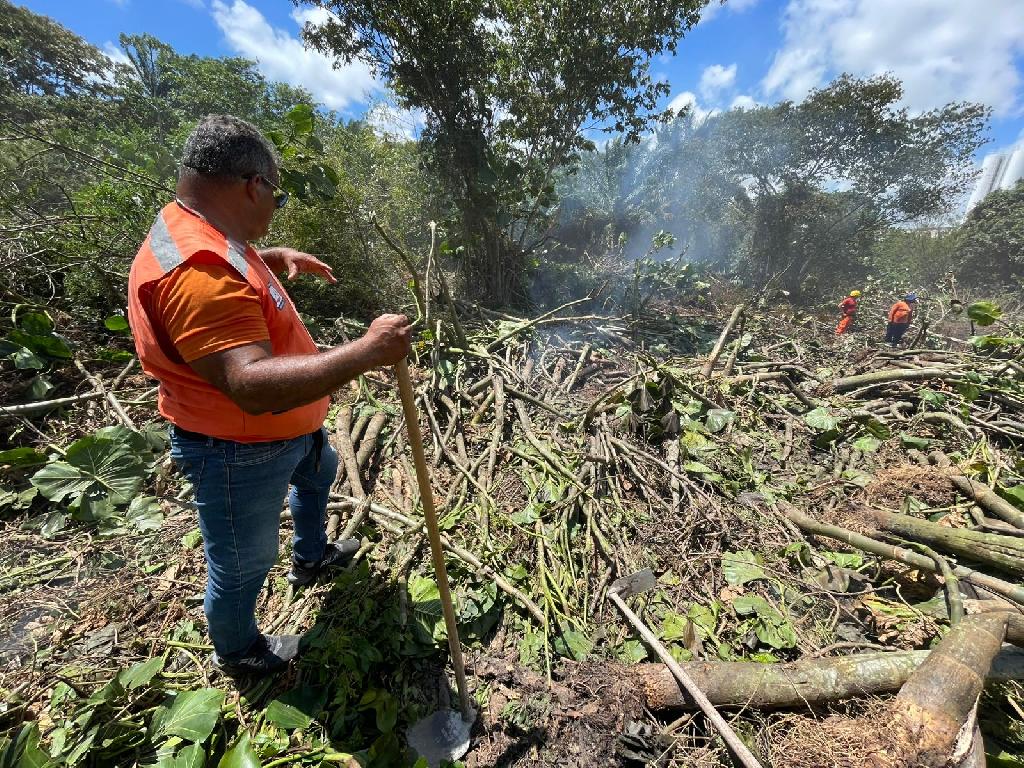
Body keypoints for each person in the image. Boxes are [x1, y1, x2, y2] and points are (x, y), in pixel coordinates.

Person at [127, 115, 412, 676]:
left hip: (289, 432)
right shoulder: (199, 271)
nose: (274, 209)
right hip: (239, 450)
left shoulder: (204, 230)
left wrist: (273, 257)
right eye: (277, 198)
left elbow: (231, 260)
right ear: (254, 185)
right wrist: (368, 351)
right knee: (243, 561)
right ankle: (239, 651)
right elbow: (250, 386)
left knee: (319, 472)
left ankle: (311, 557)